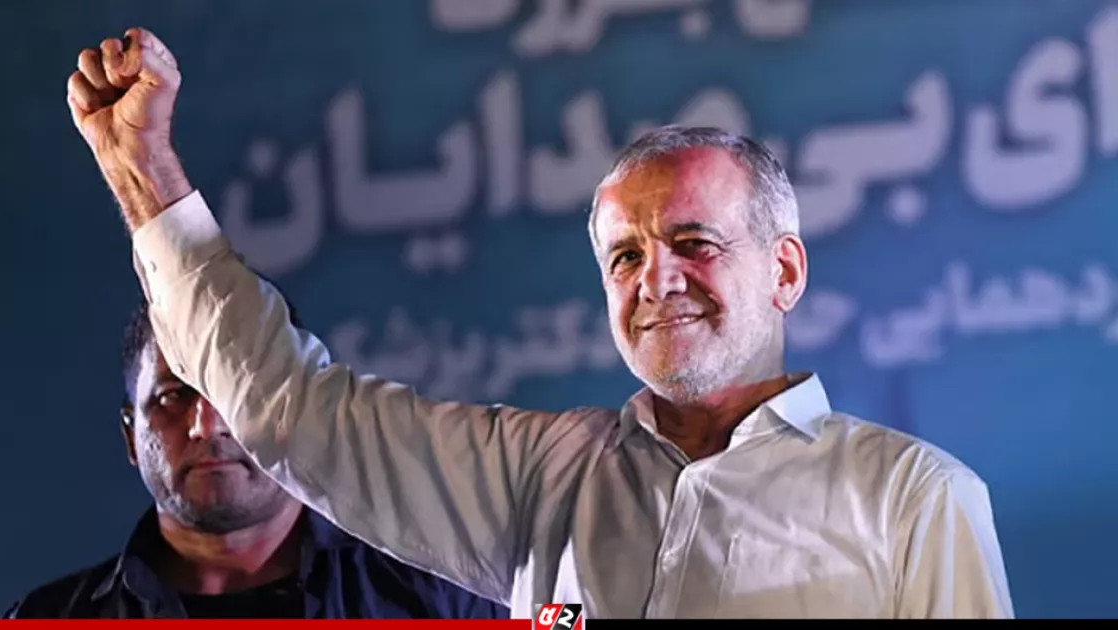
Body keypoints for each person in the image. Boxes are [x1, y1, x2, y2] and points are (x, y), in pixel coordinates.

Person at [65, 28, 1015, 619]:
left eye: (694, 243)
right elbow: (287, 408)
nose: (657, 280)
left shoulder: (913, 501)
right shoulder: (541, 481)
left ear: (786, 271)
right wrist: (143, 170)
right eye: (625, 257)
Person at [3, 297, 510, 619]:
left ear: (300, 411)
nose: (208, 425)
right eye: (173, 397)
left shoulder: (444, 592)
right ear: (131, 437)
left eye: (236, 391)